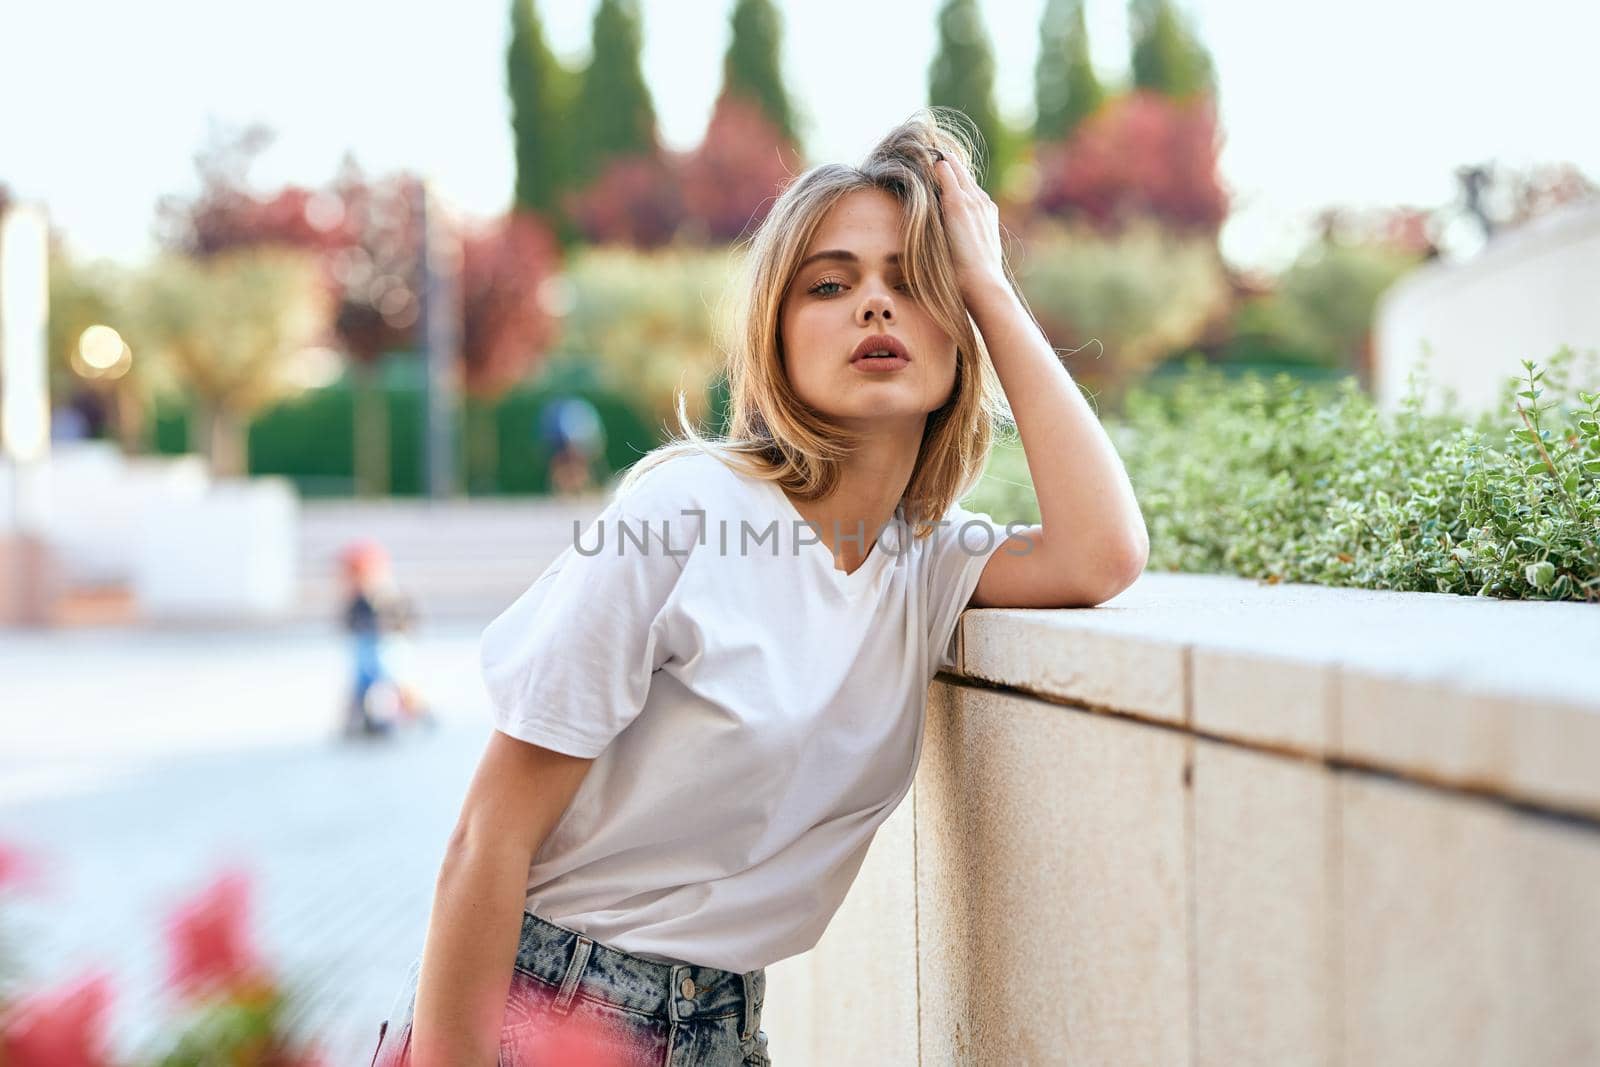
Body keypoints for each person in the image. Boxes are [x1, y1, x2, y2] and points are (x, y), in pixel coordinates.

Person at [371, 108, 1148, 1066]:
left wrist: (989, 283)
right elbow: (486, 839)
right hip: (547, 1012)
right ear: (775, 333)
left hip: (723, 1027)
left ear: (960, 342)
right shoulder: (685, 510)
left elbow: (1102, 551)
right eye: (831, 284)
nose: (875, 305)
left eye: (913, 283)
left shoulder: (925, 561)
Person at [339, 539, 434, 738]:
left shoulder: (390, 594)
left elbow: (406, 618)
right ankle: (360, 722)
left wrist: (389, 626)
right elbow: (348, 622)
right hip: (366, 649)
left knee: (396, 683)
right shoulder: (357, 599)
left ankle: (414, 713)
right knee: (360, 687)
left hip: (387, 647)